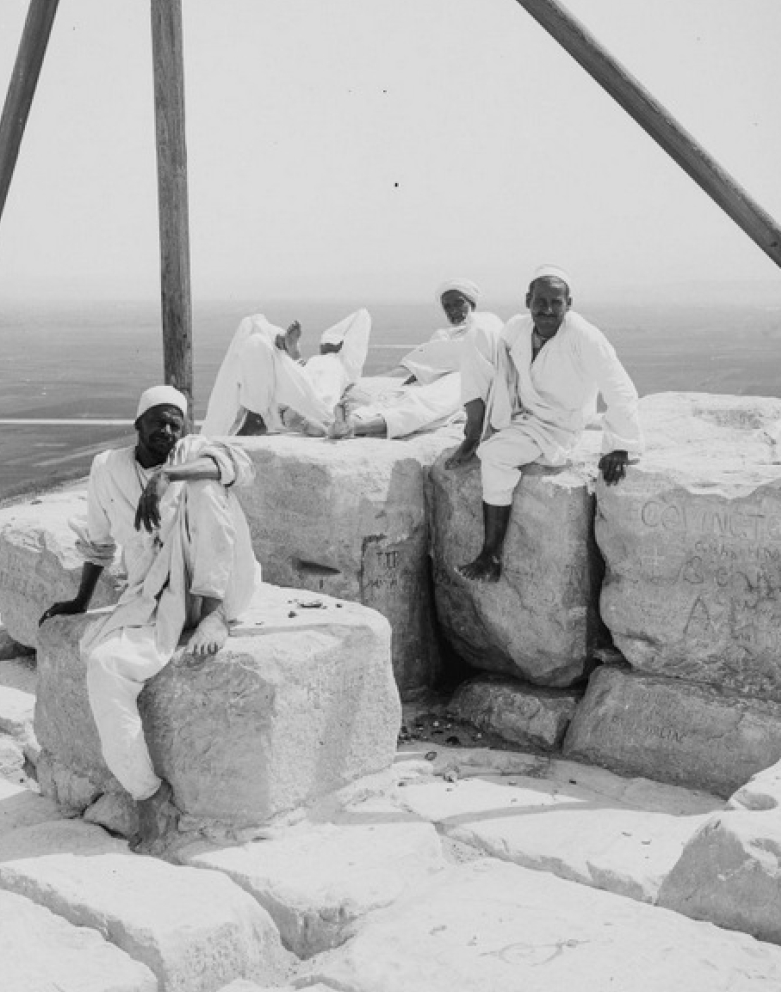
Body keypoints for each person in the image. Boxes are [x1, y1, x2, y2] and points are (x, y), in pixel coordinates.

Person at [39, 385, 260, 851]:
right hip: (156, 598)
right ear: (136, 424)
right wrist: (80, 602)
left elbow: (240, 468)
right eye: (157, 421)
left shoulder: (194, 452)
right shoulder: (107, 469)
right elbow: (99, 542)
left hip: (220, 585)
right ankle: (147, 792)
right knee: (103, 664)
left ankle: (216, 617)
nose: (166, 430)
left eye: (174, 423)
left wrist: (168, 477)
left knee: (203, 483)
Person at [452, 265, 643, 583]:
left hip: (560, 426)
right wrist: (496, 417)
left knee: (495, 456)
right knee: (475, 343)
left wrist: (621, 446)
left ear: (569, 304)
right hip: (525, 416)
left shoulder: (584, 336)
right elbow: (503, 375)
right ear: (528, 300)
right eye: (540, 301)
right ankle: (478, 435)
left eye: (556, 302)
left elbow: (619, 388)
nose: (548, 310)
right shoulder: (516, 328)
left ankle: (491, 556)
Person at [326, 279, 503, 442]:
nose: (453, 310)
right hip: (439, 381)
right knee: (404, 396)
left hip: (472, 382)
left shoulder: (487, 323)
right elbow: (425, 367)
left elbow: (478, 356)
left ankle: (356, 426)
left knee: (430, 402)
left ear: (471, 303)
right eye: (447, 306)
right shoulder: (443, 336)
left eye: (458, 303)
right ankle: (347, 420)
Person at [201, 309, 372, 437]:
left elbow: (361, 317)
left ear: (343, 346)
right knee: (254, 336)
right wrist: (295, 358)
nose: (325, 344)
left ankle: (257, 416)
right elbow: (297, 379)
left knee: (254, 333)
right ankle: (259, 414)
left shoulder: (341, 365)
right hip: (292, 402)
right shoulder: (315, 362)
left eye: (332, 342)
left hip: (314, 406)